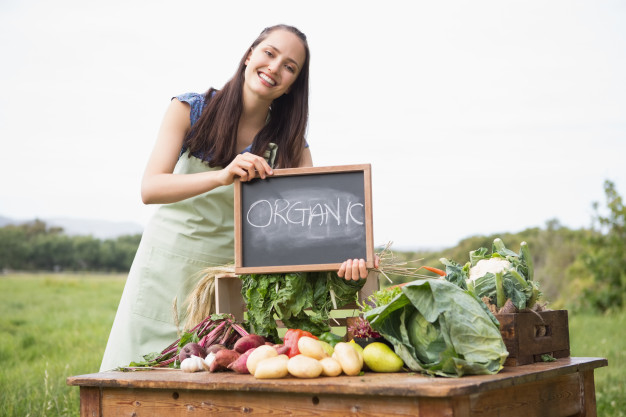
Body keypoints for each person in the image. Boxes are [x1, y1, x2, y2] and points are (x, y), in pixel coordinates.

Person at [99, 24, 376, 372]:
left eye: (289, 67)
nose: (275, 68)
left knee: (214, 386)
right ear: (249, 55)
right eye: (269, 53)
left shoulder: (291, 145)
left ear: (293, 84)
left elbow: (308, 229)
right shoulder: (190, 109)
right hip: (165, 269)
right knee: (131, 379)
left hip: (229, 283)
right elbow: (150, 188)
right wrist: (221, 175)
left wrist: (345, 259)